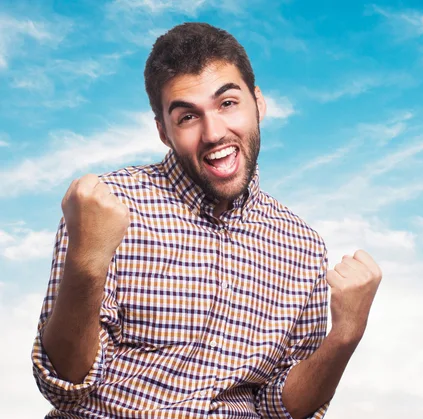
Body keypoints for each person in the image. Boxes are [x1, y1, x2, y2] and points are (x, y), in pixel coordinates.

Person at [31, 22, 382, 419]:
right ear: (163, 131)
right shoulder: (106, 207)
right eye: (187, 117)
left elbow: (281, 410)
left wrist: (345, 335)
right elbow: (64, 384)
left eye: (228, 103)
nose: (214, 132)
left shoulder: (302, 246)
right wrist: (86, 261)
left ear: (258, 102)